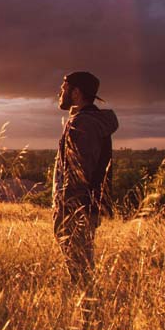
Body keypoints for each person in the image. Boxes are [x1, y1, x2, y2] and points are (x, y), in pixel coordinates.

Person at [53, 71, 119, 283]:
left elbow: (79, 172)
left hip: (76, 207)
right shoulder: (87, 121)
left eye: (64, 89)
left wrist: (69, 208)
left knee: (80, 269)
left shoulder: (82, 124)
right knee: (81, 265)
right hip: (85, 206)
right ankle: (86, 304)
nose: (60, 93)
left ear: (76, 92)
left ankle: (87, 308)